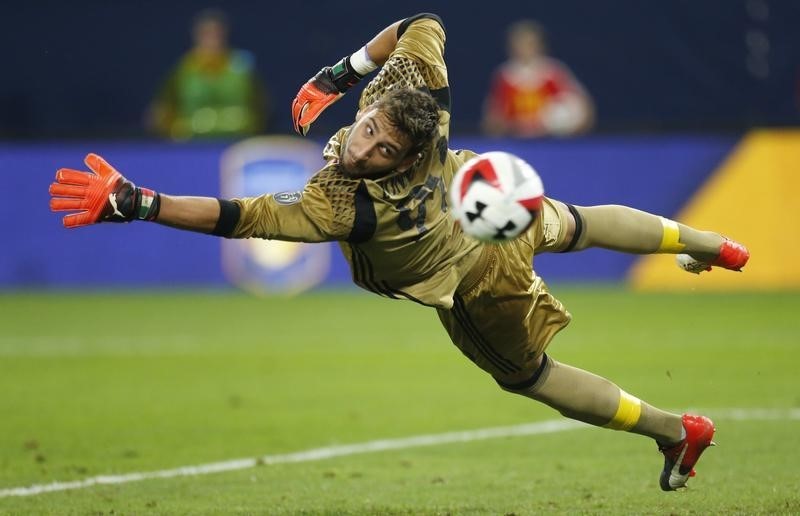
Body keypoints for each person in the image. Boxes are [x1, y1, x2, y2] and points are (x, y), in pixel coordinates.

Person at [50, 13, 749, 491]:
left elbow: (237, 217)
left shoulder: (342, 203)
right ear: (377, 108)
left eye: (385, 149)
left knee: (529, 377)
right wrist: (340, 71)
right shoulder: (417, 95)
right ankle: (713, 245)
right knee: (580, 223)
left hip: (476, 279)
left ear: (404, 151)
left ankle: (674, 431)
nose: (367, 146)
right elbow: (424, 22)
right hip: (485, 196)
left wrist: (141, 202)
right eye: (371, 133)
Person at [146, 9, 269, 140]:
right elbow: (163, 108)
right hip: (191, 144)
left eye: (217, 34)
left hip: (237, 141)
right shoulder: (184, 69)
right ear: (196, 36)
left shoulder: (242, 67)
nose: (212, 40)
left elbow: (262, 105)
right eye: (206, 34)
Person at [482, 20, 594, 137]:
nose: (524, 49)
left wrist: (566, 125)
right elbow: (492, 121)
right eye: (519, 44)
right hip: (516, 143)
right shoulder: (504, 76)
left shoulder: (554, 72)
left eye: (529, 44)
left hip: (552, 143)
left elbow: (584, 110)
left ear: (540, 45)